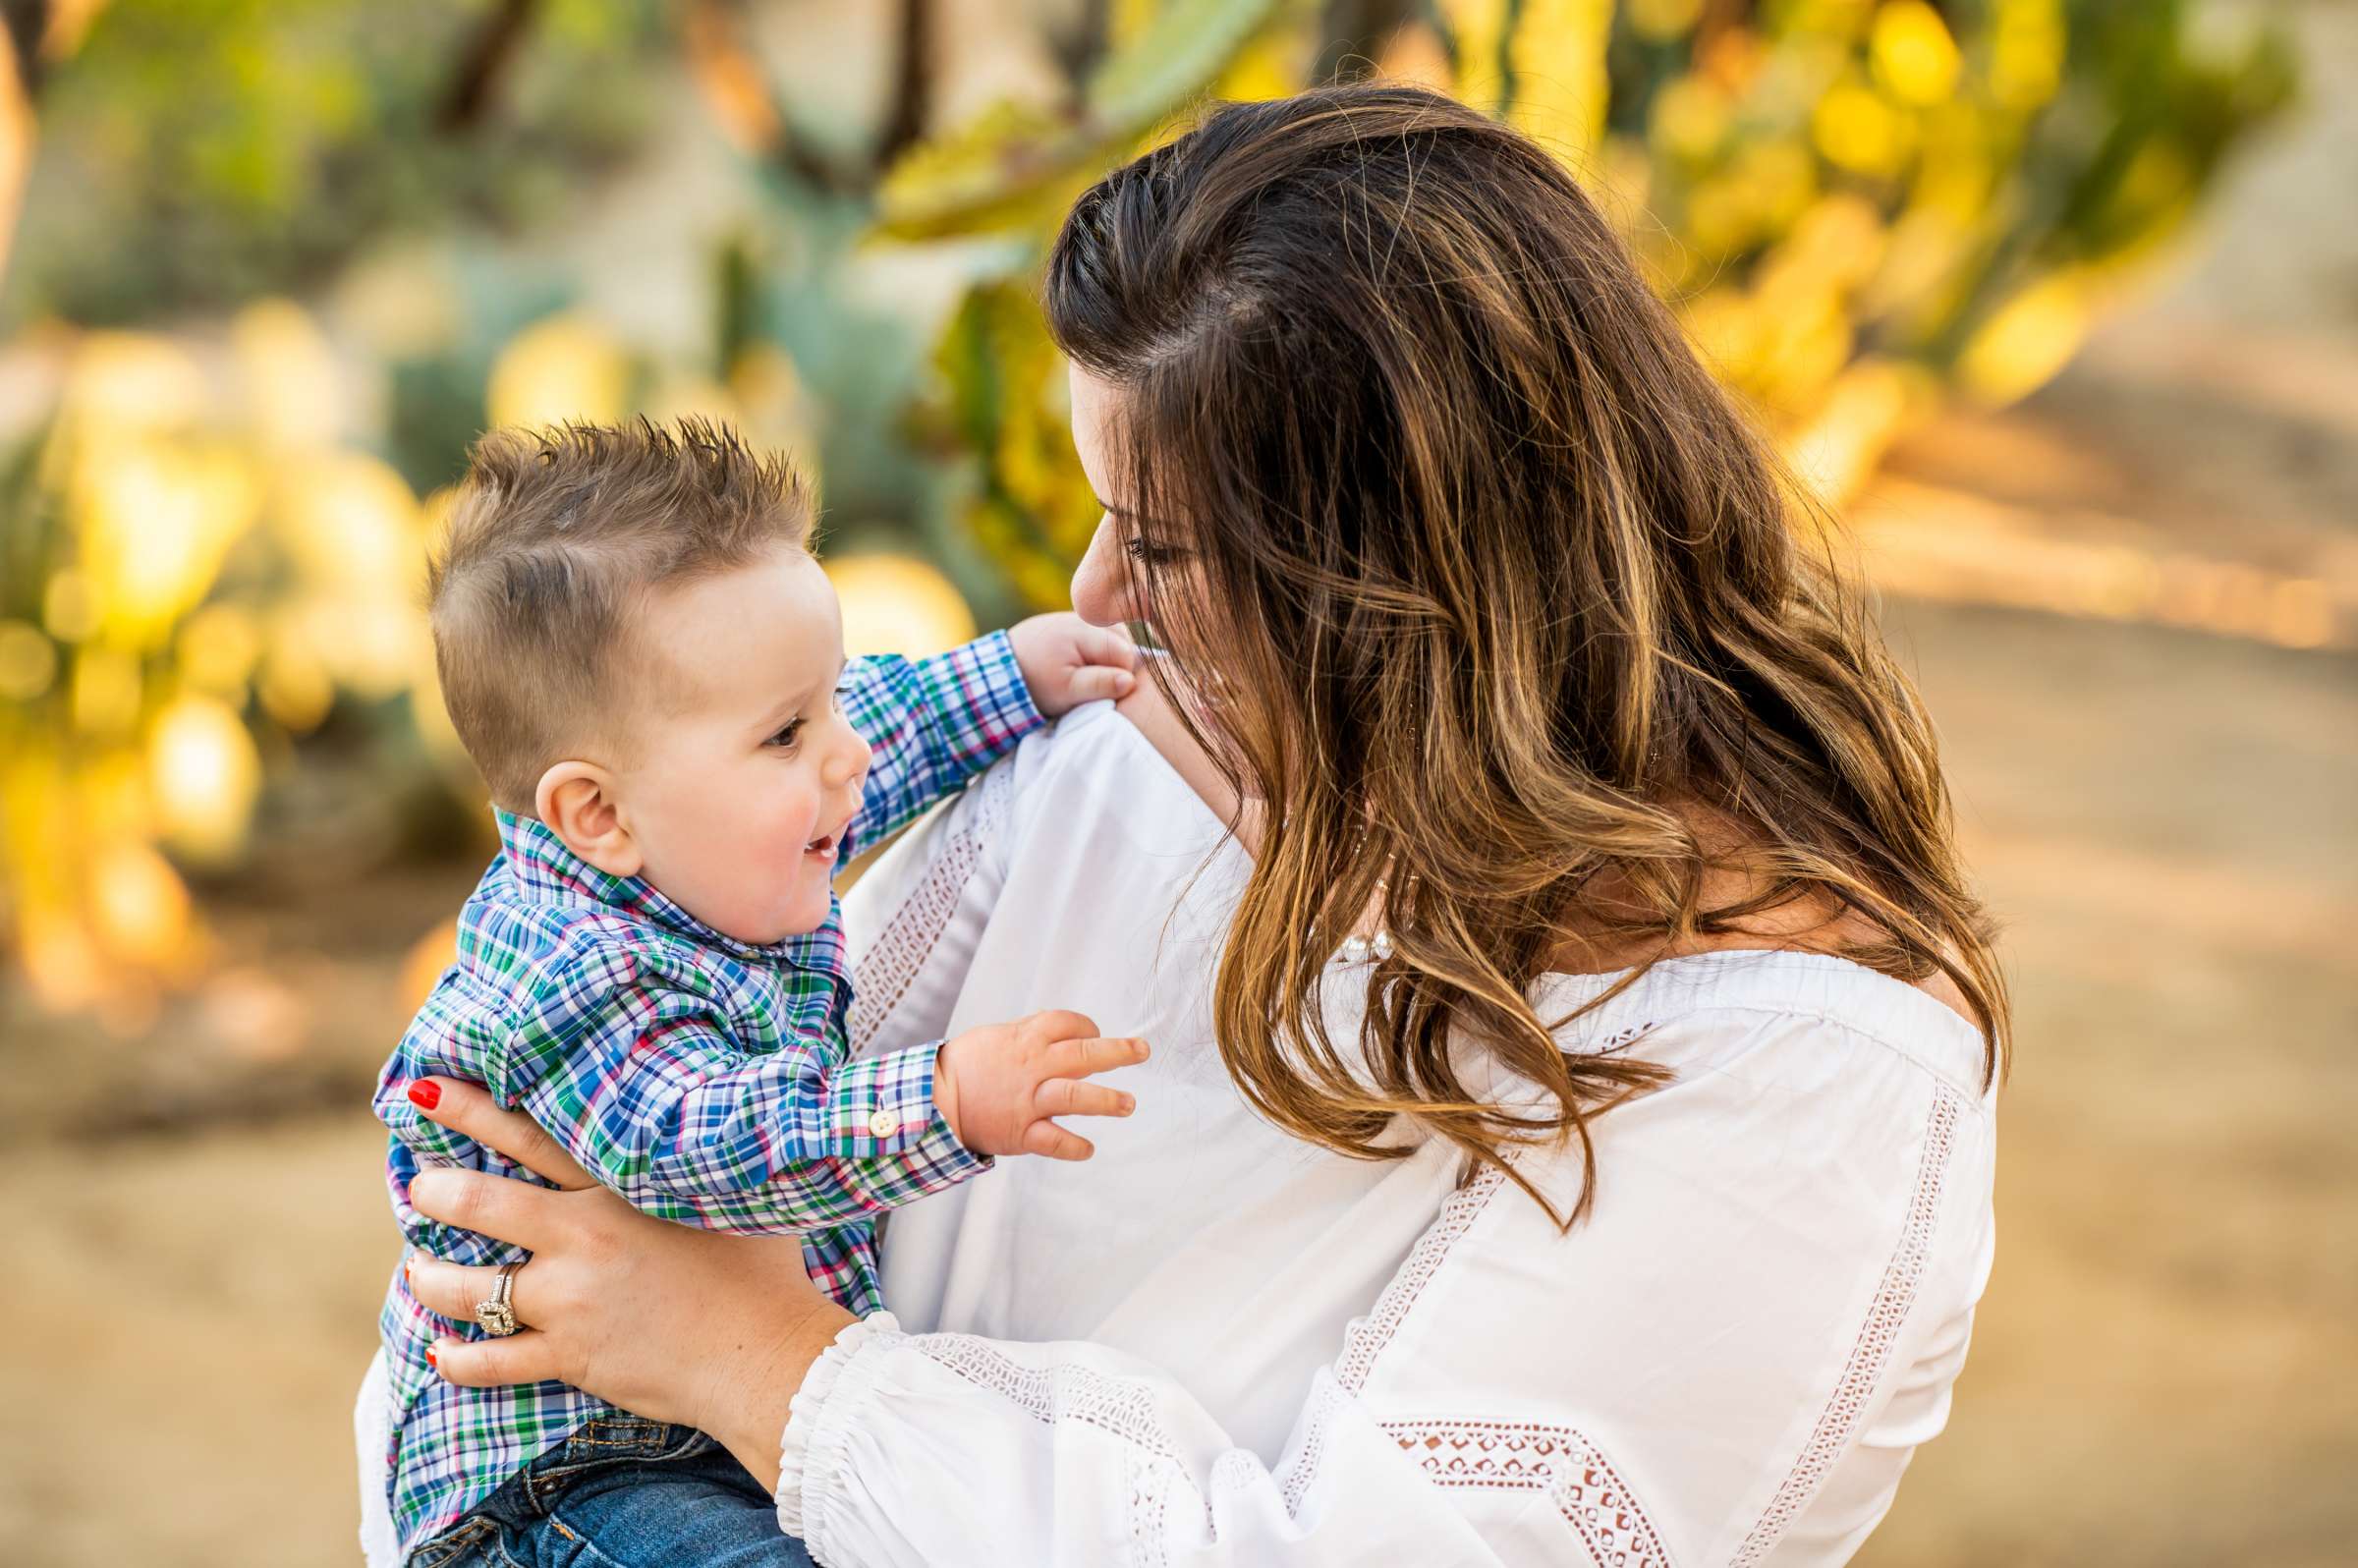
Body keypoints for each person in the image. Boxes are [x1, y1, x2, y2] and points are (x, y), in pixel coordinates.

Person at [368, 84, 2007, 1565]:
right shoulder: (1136, 751)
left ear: (1405, 593)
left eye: (1168, 544)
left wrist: (756, 1365)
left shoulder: (1808, 1085)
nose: (1094, 598)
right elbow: (540, 1264)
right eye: (1100, 515)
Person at [367, 418, 1149, 1566]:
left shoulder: (686, 830)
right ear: (599, 813)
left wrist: (1011, 675)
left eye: (823, 699)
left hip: (695, 1427)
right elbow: (718, 1143)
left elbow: (867, 730)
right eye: (789, 730)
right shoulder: (574, 973)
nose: (843, 755)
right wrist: (944, 1099)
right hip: (570, 1482)